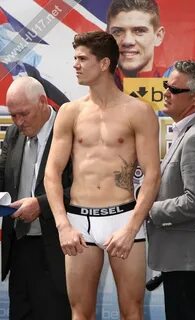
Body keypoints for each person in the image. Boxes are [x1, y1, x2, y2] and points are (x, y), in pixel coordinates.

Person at [44, 30, 160, 320]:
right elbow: (52, 174)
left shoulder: (139, 112)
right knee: (80, 313)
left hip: (124, 219)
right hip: (78, 222)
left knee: (131, 312)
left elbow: (152, 176)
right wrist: (63, 226)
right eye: (74, 58)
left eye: (82, 58)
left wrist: (131, 228)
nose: (75, 64)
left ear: (105, 63)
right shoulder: (69, 112)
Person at [0, 76, 72, 320]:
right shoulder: (12, 133)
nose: (18, 122)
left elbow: (86, 190)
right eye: (13, 115)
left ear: (43, 102)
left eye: (24, 114)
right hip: (19, 247)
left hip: (56, 249)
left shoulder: (70, 131)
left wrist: (40, 204)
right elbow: (4, 175)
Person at [147, 60, 195, 320]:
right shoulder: (192, 132)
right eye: (166, 85)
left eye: (173, 89)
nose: (165, 92)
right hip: (186, 264)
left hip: (194, 267)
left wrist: (148, 210)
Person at [106, 0, 165, 90]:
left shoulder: (176, 85)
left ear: (158, 36)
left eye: (139, 31)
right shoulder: (94, 84)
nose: (127, 41)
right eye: (117, 31)